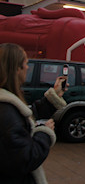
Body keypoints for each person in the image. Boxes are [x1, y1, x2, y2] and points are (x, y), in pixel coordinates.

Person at [0, 43, 67, 183]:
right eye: (25, 63)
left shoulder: (7, 105)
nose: (27, 67)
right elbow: (25, 158)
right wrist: (44, 133)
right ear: (16, 68)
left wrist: (54, 96)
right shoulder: (5, 111)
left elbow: (26, 116)